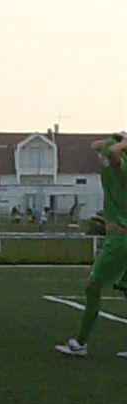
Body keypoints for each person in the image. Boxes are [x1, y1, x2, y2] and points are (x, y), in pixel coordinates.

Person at [55, 134, 127, 357]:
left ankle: (80, 343)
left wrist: (122, 140)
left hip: (120, 240)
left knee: (93, 287)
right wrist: (118, 138)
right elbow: (97, 146)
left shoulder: (120, 165)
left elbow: (109, 151)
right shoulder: (115, 162)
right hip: (121, 238)